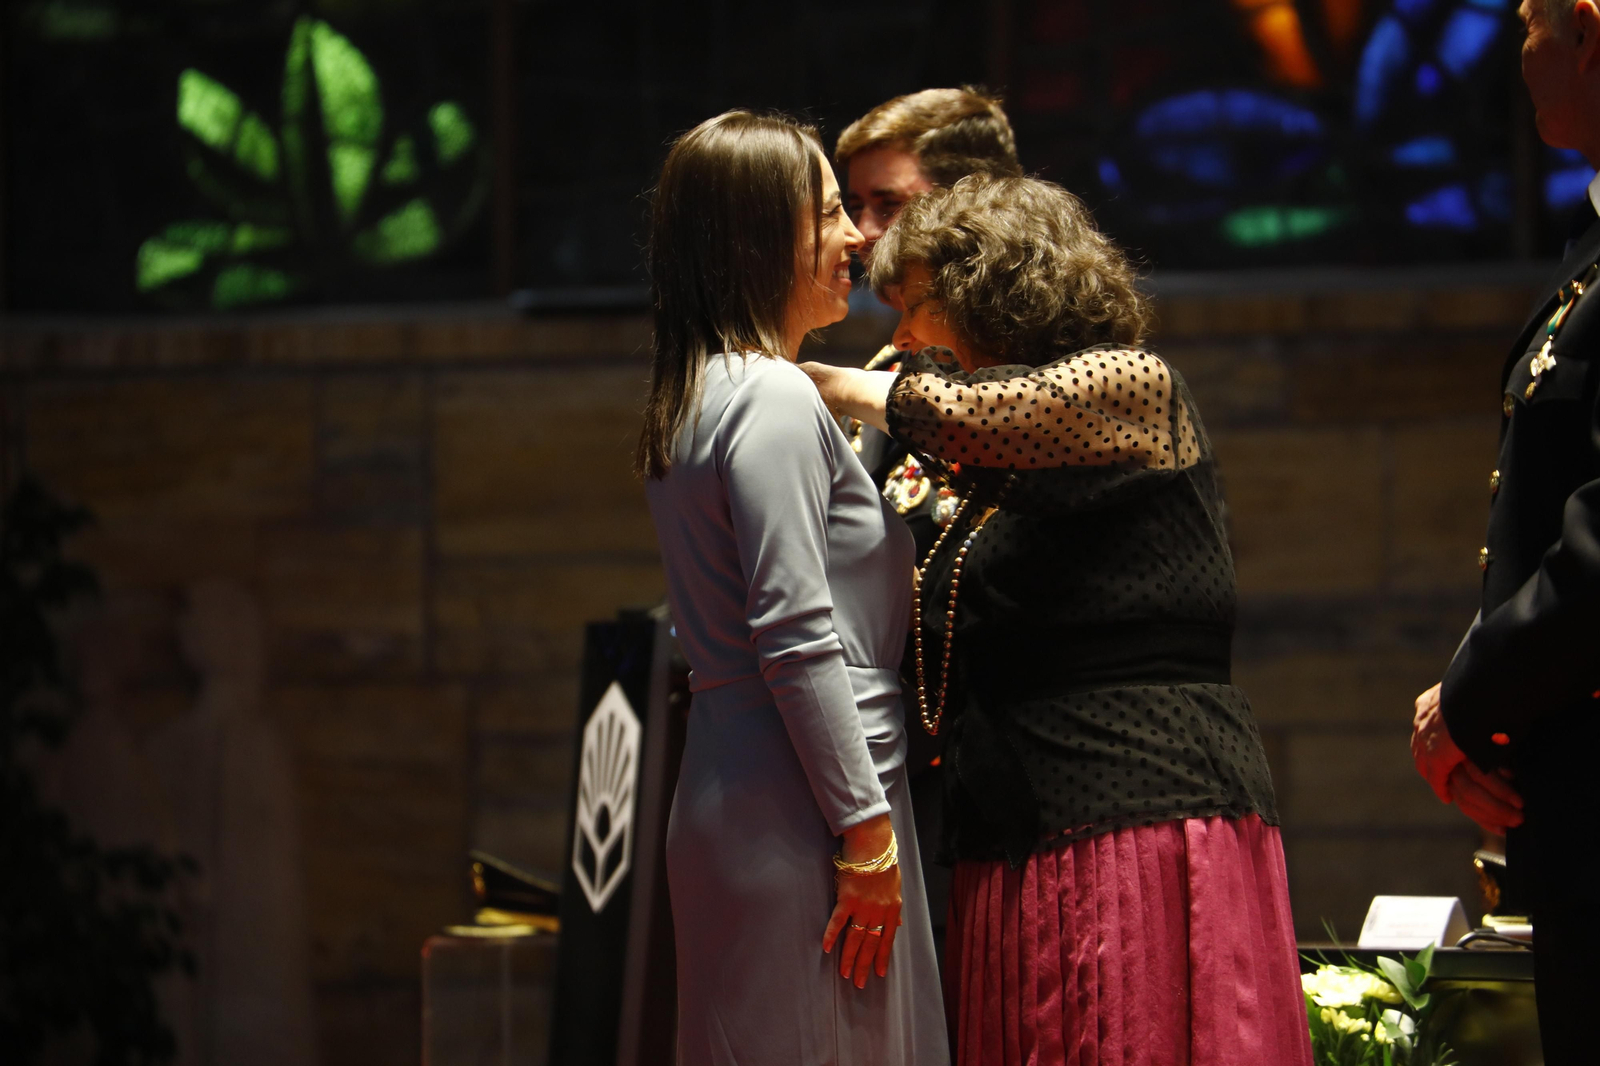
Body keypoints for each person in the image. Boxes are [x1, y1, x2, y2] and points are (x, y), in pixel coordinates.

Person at [803, 175, 1312, 1065]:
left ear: (992, 289)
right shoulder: (982, 478)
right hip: (1015, 837)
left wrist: (820, 382)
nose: (906, 337)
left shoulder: (1133, 386)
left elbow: (980, 418)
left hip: (1139, 822)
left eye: (917, 305)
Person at [637, 110, 947, 1066]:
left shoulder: (699, 391)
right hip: (806, 804)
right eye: (827, 216)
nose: (858, 236)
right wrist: (864, 833)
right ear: (760, 239)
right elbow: (796, 629)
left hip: (752, 786)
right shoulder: (769, 397)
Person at [1410, 0, 1600, 1058]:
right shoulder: (1590, 247)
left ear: (1585, 30)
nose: (1513, 51)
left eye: (1525, 21)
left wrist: (1467, 702)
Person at [835, 88, 1025, 972]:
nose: (863, 232)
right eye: (853, 204)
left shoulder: (1051, 379)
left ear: (970, 207)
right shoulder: (881, 375)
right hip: (905, 781)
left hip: (1030, 780)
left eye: (890, 204)